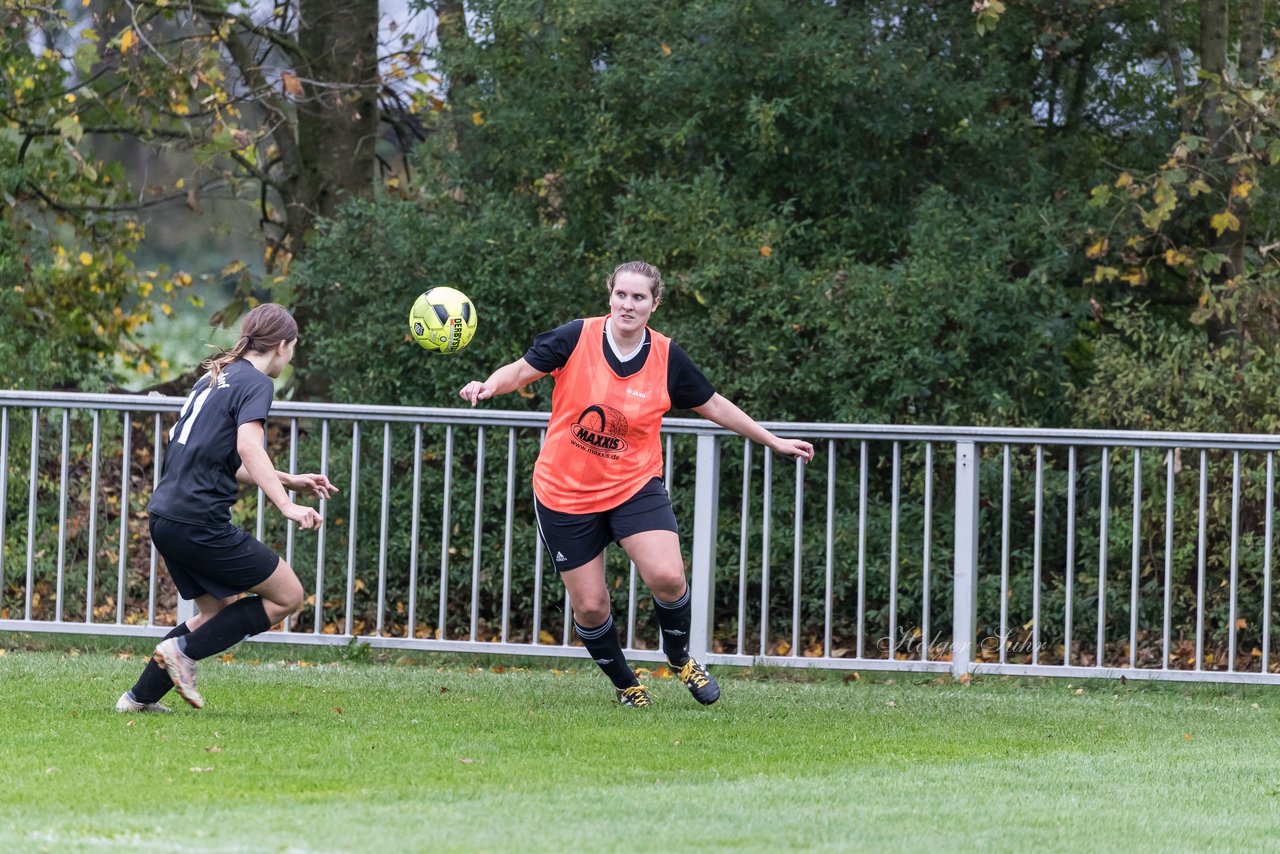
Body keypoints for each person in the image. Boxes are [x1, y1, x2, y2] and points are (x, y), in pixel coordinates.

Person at [460, 261, 814, 707]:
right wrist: (487, 386)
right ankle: (628, 685)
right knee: (590, 606)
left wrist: (774, 441)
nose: (628, 304)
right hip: (563, 492)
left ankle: (681, 657)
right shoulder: (575, 337)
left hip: (633, 485)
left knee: (668, 576)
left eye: (639, 297)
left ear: (654, 304)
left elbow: (716, 405)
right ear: (610, 296)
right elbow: (519, 370)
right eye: (621, 295)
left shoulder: (667, 357)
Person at [115, 303, 338, 713]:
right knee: (288, 594)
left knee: (217, 612)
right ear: (283, 346)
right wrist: (286, 505)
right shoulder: (256, 383)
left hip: (166, 515)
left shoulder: (215, 377)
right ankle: (182, 654)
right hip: (199, 520)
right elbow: (248, 447)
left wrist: (288, 479)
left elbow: (219, 457)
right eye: (293, 349)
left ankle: (138, 699)